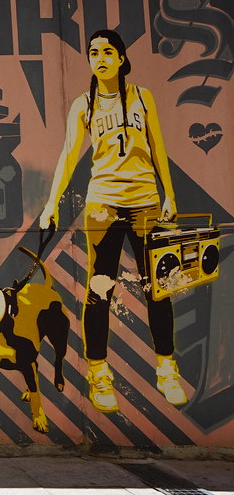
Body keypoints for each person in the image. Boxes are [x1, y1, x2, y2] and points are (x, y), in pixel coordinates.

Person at [39, 29, 186, 413]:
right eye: (93, 52)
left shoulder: (142, 97)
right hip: (103, 205)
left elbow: (158, 147)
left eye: (107, 52)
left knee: (158, 287)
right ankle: (98, 371)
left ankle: (166, 367)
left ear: (121, 58)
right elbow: (68, 155)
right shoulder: (83, 104)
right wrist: (51, 203)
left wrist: (169, 194)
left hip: (145, 203)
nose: (100, 58)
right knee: (100, 286)